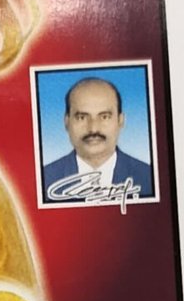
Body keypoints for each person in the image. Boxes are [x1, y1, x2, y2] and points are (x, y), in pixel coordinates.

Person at [41, 74, 155, 204]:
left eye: (104, 117)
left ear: (121, 120)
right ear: (66, 122)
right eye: (82, 117)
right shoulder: (44, 181)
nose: (93, 128)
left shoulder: (149, 178)